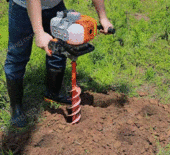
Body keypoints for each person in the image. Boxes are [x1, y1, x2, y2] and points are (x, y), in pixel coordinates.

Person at [4, 0, 113, 128]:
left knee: (59, 49)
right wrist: (39, 33)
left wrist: (103, 17)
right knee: (17, 56)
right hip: (22, 6)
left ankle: (53, 93)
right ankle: (16, 107)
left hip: (54, 6)